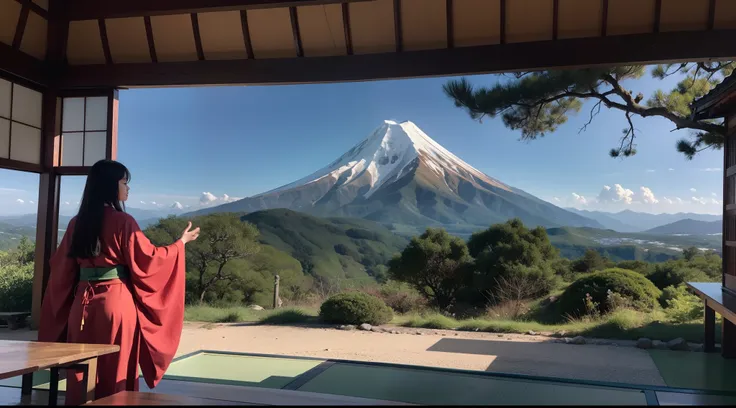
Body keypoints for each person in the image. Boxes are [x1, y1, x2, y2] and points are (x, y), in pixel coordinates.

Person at [38, 160, 200, 405]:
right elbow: (151, 260)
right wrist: (180, 244)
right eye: (124, 182)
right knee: (116, 367)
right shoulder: (123, 222)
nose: (127, 188)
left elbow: (61, 269)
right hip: (115, 304)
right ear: (110, 186)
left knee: (80, 369)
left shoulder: (76, 223)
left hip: (81, 306)